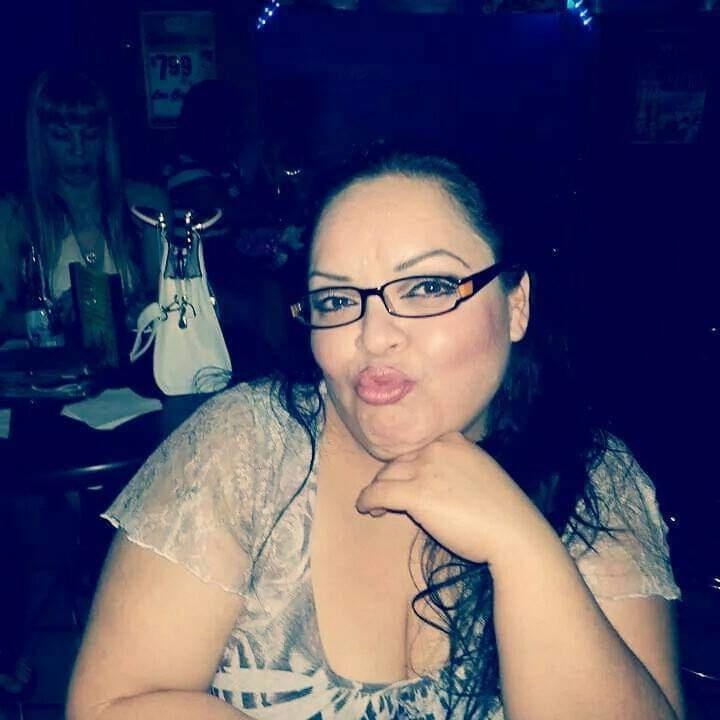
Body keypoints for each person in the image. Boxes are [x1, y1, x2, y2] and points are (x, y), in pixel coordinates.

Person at [67, 152, 684, 720]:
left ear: (515, 304)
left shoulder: (593, 475)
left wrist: (523, 547)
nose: (374, 333)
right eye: (336, 299)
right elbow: (110, 707)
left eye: (428, 287)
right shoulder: (246, 448)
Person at [0, 68, 167, 341]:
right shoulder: (13, 216)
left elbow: (172, 299)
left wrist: (128, 309)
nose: (78, 150)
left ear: (106, 137)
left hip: (137, 363)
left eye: (90, 135)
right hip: (50, 366)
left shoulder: (146, 205)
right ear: (40, 140)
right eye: (62, 136)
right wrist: (53, 317)